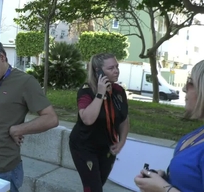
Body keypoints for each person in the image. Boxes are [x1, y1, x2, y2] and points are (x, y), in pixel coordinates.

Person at [0, 38, 59, 192]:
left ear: (2, 57)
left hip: (2, 168)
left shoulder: (25, 82)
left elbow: (51, 118)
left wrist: (18, 129)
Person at [134, 60, 204, 192]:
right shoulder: (198, 133)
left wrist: (163, 188)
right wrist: (162, 179)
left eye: (191, 82)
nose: (184, 88)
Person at [68, 53, 129, 192]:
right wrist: (100, 94)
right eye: (111, 68)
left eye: (117, 67)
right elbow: (88, 119)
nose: (116, 70)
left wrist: (121, 142)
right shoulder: (86, 91)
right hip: (84, 147)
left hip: (106, 148)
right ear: (98, 71)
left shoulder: (119, 91)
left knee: (97, 186)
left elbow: (124, 119)